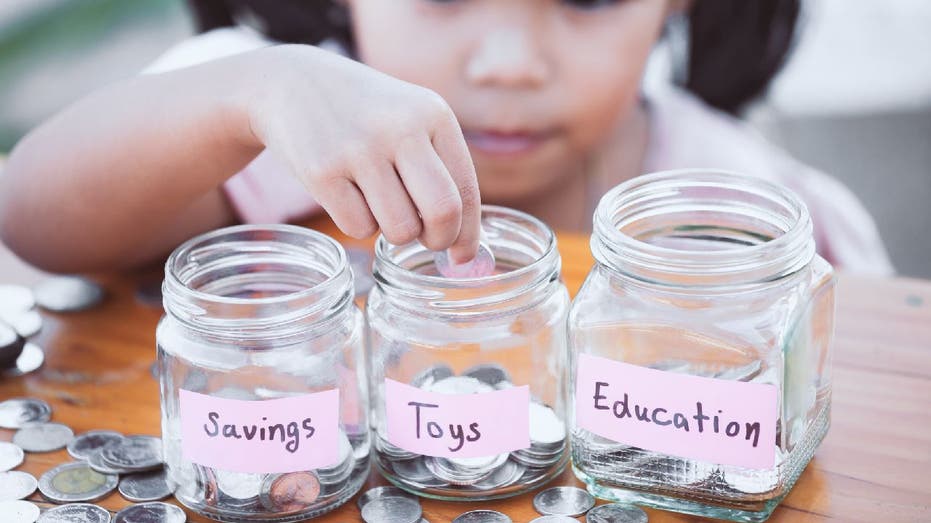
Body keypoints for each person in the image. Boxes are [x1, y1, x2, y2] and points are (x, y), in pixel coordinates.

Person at [0, 0, 893, 275]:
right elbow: (29, 214)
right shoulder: (257, 121)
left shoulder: (745, 212)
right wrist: (250, 91)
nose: (508, 62)